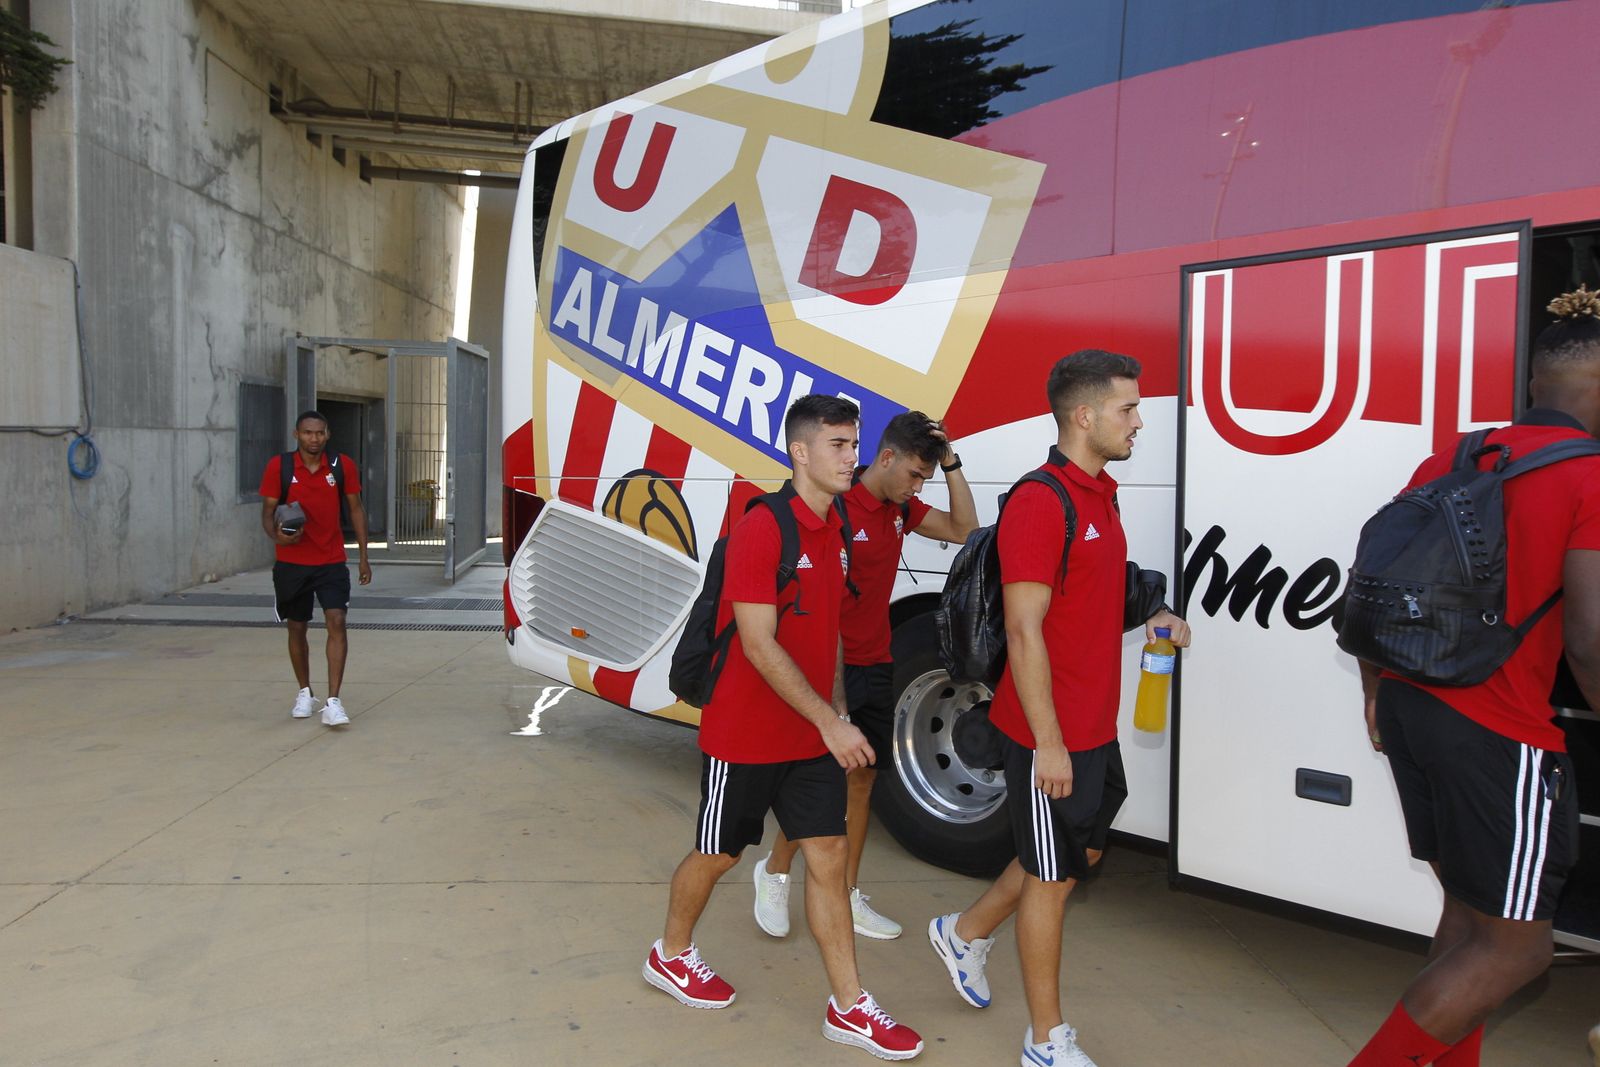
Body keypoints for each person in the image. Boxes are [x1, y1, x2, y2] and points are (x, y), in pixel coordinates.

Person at [1346, 289, 1600, 1066]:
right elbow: (1589, 638)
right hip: (1501, 729)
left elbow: (1374, 582)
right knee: (1517, 951)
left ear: (1533, 387)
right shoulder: (1590, 476)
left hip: (1417, 709)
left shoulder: (1460, 453)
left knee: (1468, 922)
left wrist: (1376, 696)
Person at [923, 350, 1190, 1067]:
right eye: (1127, 409)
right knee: (1050, 877)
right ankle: (1045, 1041)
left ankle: (964, 931)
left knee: (1078, 853)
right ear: (1084, 415)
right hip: (1048, 732)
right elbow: (1022, 628)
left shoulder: (1099, 492)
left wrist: (1158, 608)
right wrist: (1047, 742)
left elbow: (1107, 582)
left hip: (1092, 725)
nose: (1138, 421)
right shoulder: (1041, 501)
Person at [642, 395, 923, 1061]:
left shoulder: (836, 530)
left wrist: (836, 715)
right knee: (719, 853)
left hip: (809, 738)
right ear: (800, 451)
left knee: (827, 859)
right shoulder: (763, 526)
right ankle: (671, 953)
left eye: (855, 444)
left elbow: (825, 640)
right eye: (838, 444)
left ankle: (850, 1005)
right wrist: (831, 719)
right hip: (744, 733)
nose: (852, 457)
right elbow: (759, 642)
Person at [753, 411, 978, 942]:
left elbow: (965, 529)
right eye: (915, 474)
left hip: (876, 662)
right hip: (828, 666)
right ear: (888, 457)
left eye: (926, 478)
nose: (918, 486)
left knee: (860, 781)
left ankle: (847, 894)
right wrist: (832, 699)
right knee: (820, 786)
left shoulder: (901, 509)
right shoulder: (837, 503)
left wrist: (951, 463)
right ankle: (776, 871)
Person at [259, 410, 372, 727]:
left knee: (337, 621)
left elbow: (356, 509)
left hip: (331, 561)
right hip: (291, 563)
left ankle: (333, 701)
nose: (314, 438)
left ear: (328, 434)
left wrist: (363, 556)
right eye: (308, 433)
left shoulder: (341, 466)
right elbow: (268, 511)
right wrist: (275, 534)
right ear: (297, 435)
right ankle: (305, 692)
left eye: (320, 433)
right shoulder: (279, 467)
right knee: (297, 627)